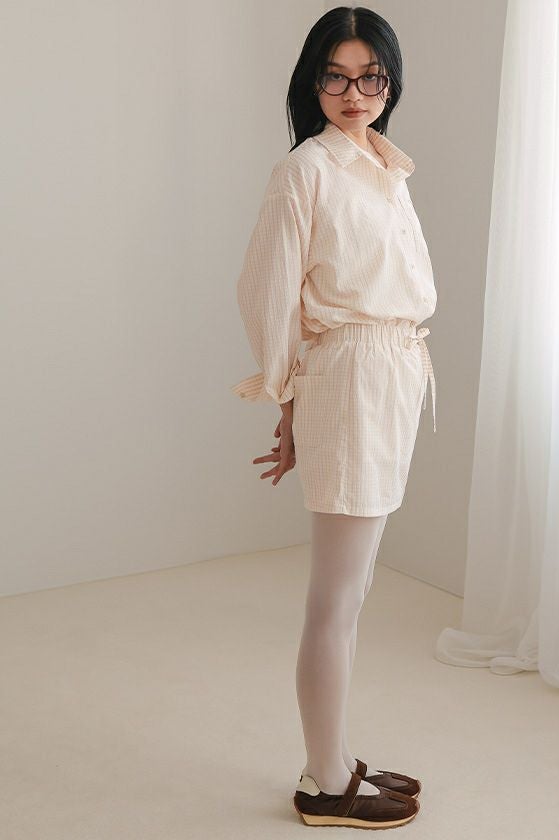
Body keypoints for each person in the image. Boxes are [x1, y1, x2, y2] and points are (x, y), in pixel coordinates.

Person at [230, 5, 436, 829]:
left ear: (390, 82)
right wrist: (289, 399)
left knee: (353, 590)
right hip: (349, 379)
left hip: (387, 376)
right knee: (337, 598)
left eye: (371, 77)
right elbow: (270, 294)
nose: (356, 93)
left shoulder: (384, 164)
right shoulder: (306, 169)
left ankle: (337, 755)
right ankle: (323, 781)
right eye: (337, 77)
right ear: (312, 82)